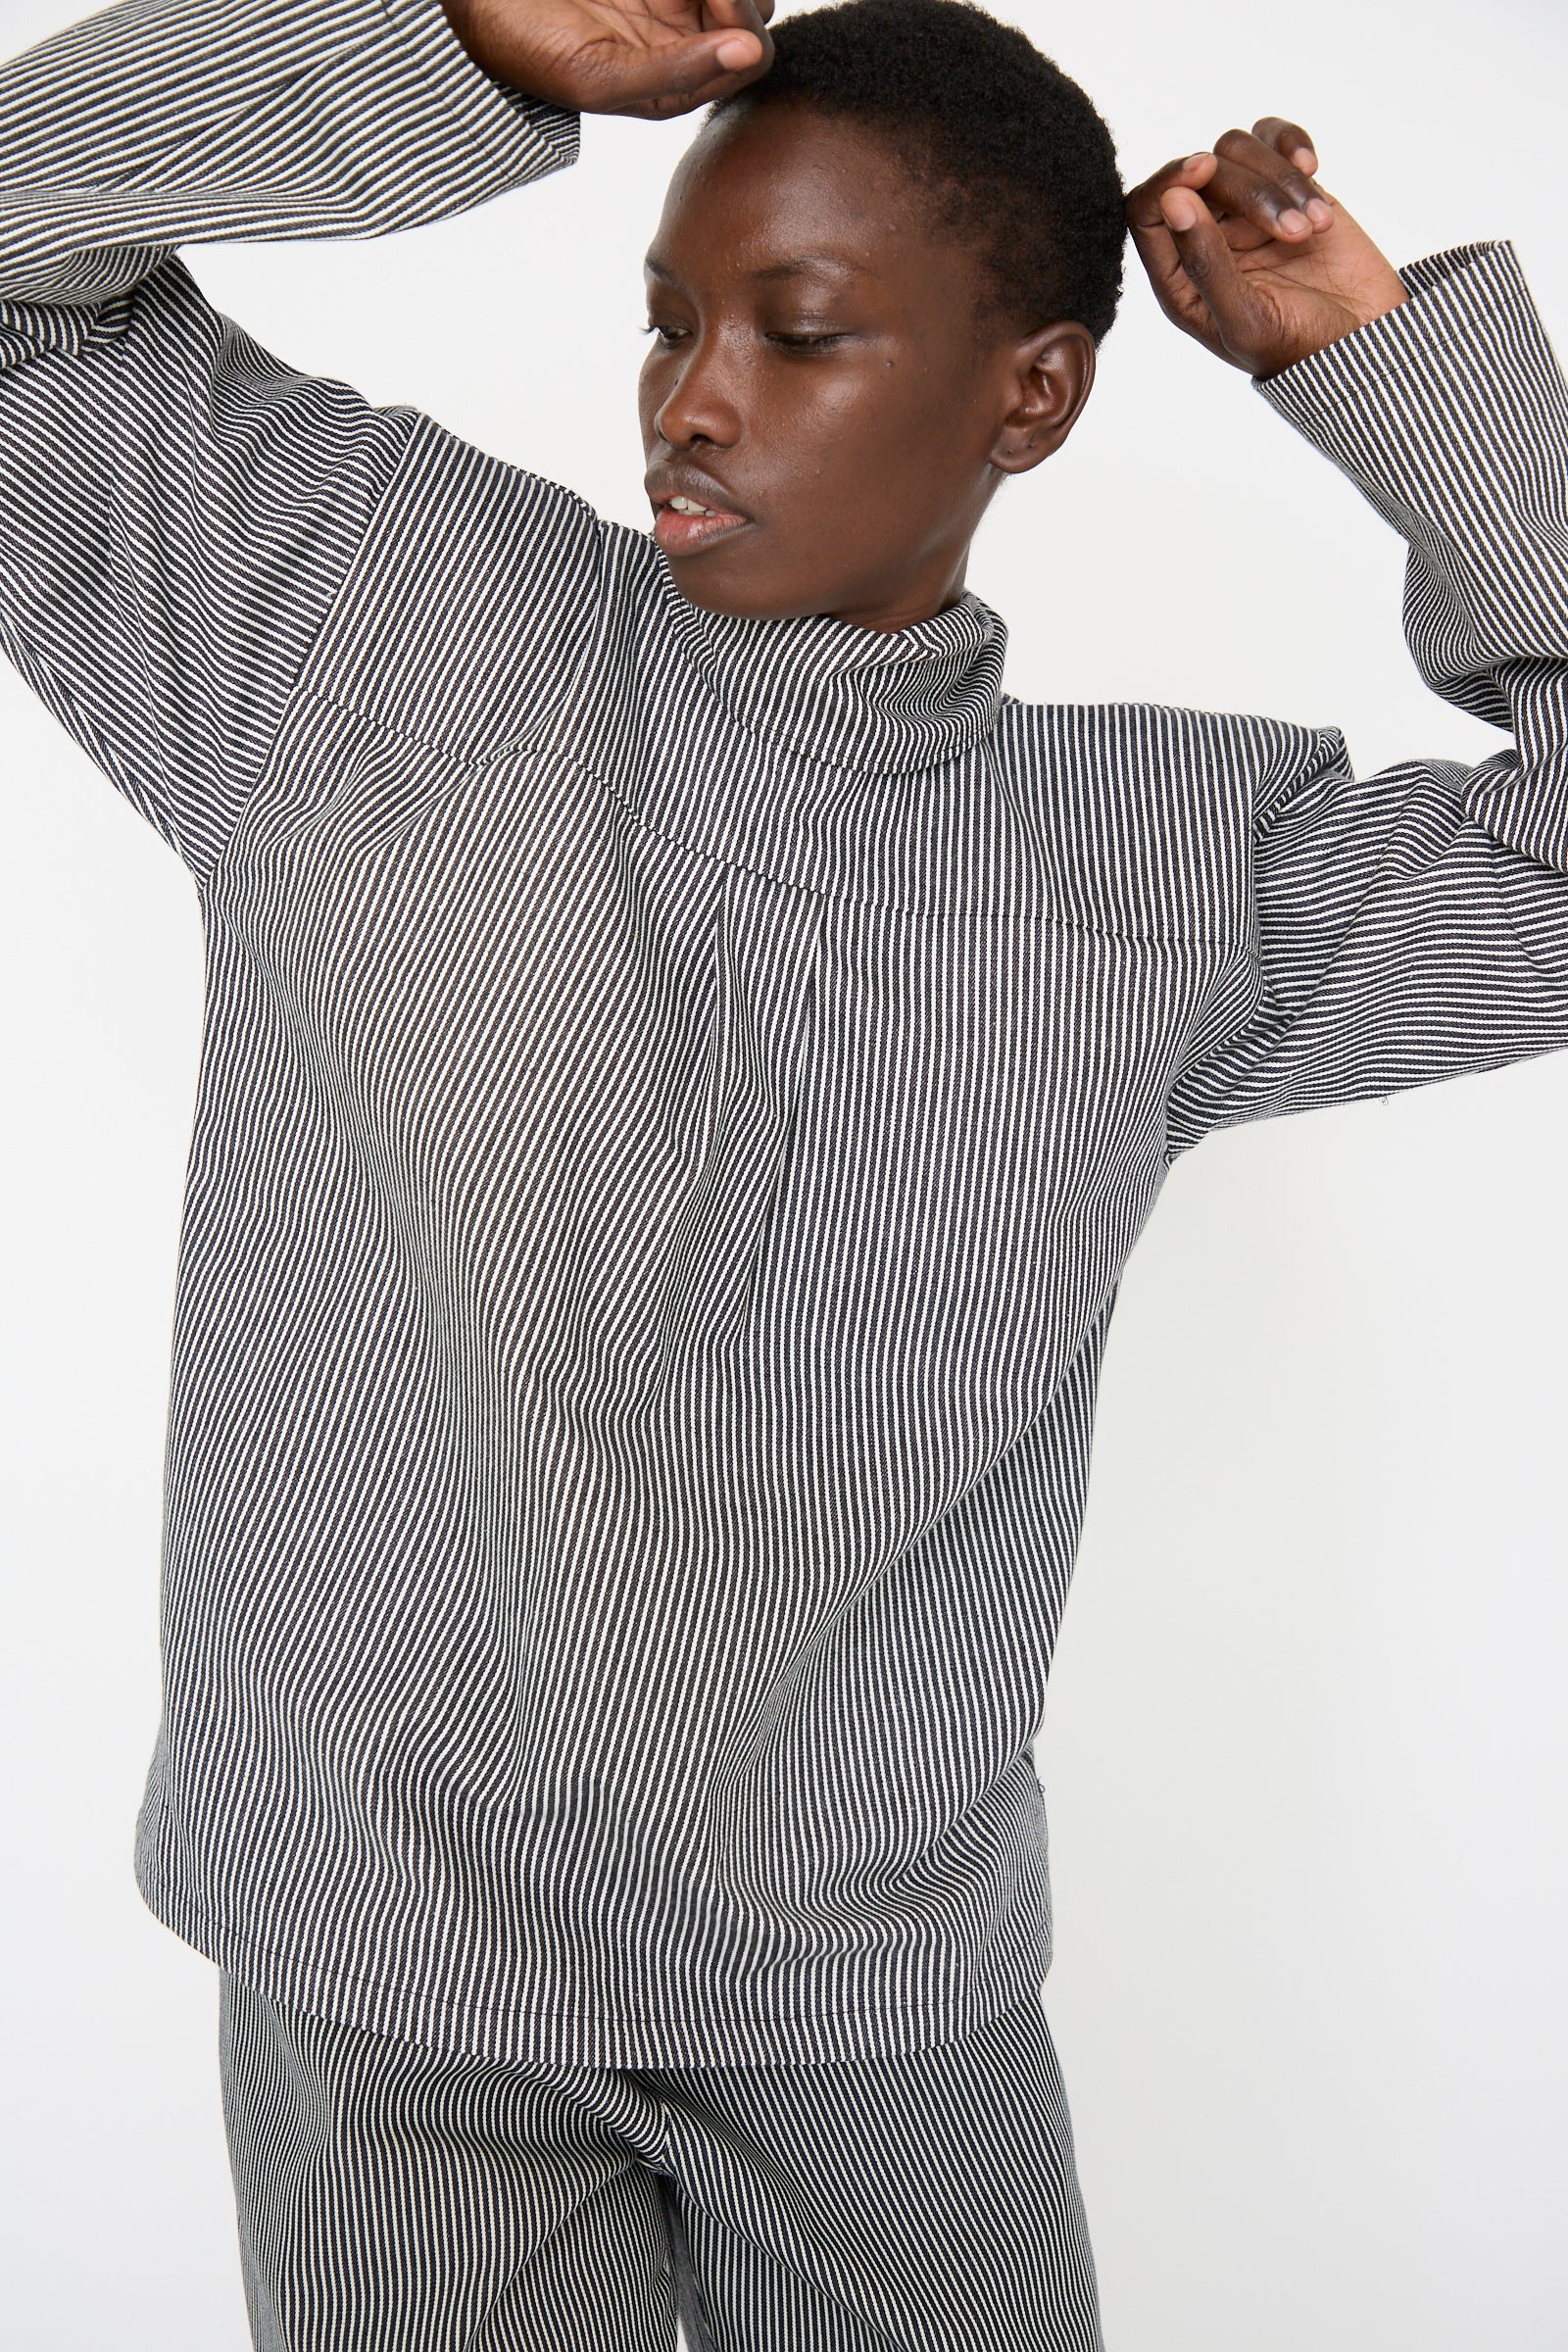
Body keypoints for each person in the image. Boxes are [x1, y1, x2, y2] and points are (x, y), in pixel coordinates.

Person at [3, 0, 1565, 2342]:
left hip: (867, 2014)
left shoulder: (1165, 864)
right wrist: (447, 42)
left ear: (1028, 394)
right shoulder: (348, 618)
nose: (689, 398)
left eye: (797, 333)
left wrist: (1381, 369)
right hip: (377, 1977)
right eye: (665, 319)